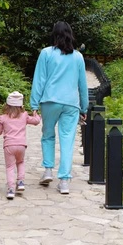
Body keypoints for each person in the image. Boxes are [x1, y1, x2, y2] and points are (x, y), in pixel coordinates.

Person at [30, 21, 89, 194]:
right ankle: (64, 181)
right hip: (71, 104)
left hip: (50, 101)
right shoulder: (78, 57)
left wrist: (34, 103)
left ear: (54, 35)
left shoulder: (46, 53)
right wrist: (84, 107)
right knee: (67, 139)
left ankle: (48, 170)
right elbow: (82, 85)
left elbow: (39, 79)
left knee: (48, 135)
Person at [0, 91, 41, 199]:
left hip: (9, 146)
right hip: (21, 145)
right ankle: (20, 182)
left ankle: (11, 189)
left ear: (7, 105)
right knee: (20, 162)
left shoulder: (3, 118)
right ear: (21, 106)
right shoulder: (24, 116)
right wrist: (36, 115)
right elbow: (36, 122)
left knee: (10, 167)